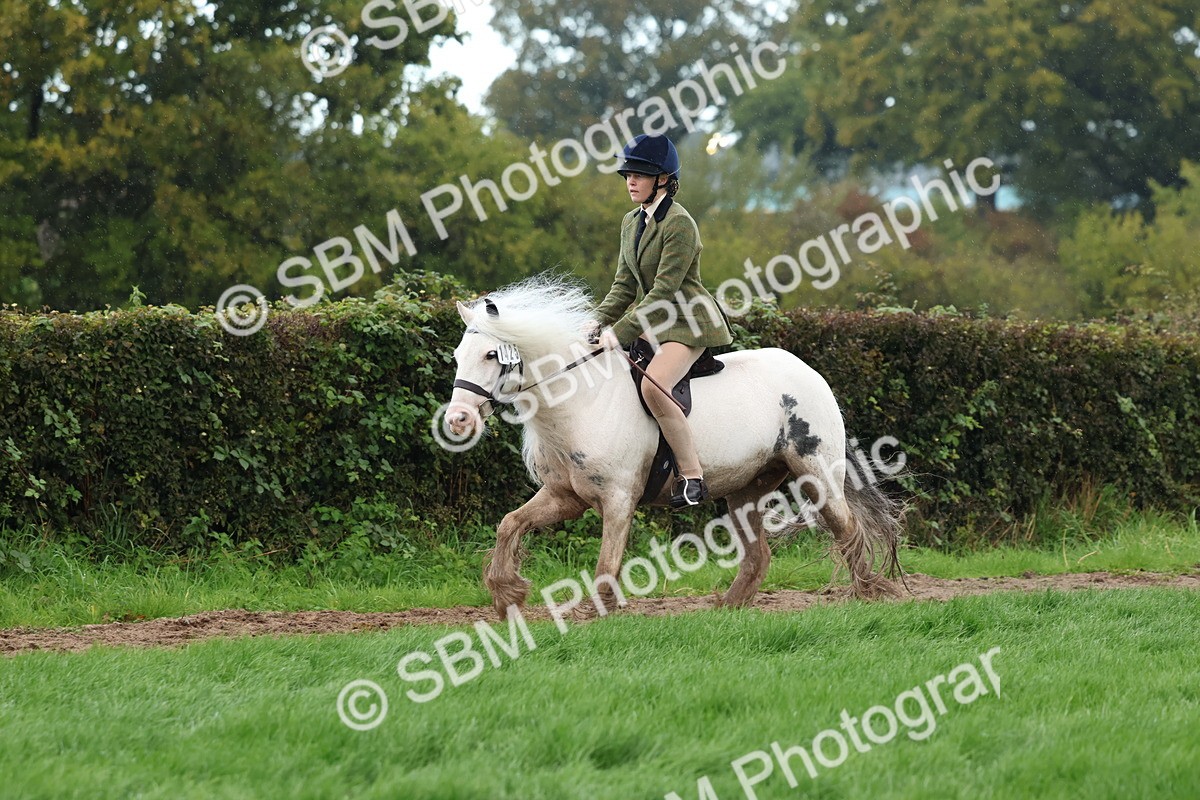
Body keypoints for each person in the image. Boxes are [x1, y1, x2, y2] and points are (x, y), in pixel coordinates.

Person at [590, 134, 734, 508]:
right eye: (627, 174)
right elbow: (623, 285)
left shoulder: (680, 224)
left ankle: (692, 476)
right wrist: (594, 323)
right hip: (655, 321)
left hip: (687, 322)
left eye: (639, 175)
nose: (630, 181)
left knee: (654, 387)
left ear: (664, 180)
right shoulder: (629, 222)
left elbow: (664, 293)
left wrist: (619, 333)